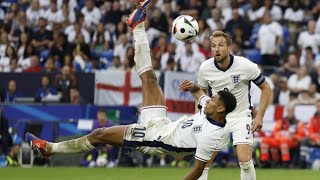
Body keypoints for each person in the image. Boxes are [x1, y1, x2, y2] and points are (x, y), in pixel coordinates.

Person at [26, 1, 237, 179]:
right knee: (150, 78)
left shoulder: (213, 134)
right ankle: (137, 26)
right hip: (162, 123)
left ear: (220, 110)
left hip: (153, 139)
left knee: (100, 134)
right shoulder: (208, 109)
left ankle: (49, 149)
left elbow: (199, 169)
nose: (208, 100)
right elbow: (201, 96)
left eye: (213, 100)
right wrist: (194, 88)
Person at [197, 30, 271, 180]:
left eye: (221, 45)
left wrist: (259, 116)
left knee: (244, 160)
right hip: (216, 118)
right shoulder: (205, 68)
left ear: (229, 48)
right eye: (213, 46)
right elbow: (201, 95)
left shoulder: (245, 65)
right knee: (203, 163)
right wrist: (199, 119)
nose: (217, 49)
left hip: (241, 115)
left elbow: (266, 88)